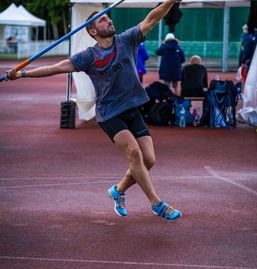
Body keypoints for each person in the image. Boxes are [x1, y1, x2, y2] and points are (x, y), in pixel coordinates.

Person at [6, 0, 182, 221]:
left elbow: (152, 18)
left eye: (108, 18)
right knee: (134, 153)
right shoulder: (88, 57)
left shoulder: (126, 40)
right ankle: (157, 204)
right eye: (103, 20)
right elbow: (54, 68)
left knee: (148, 160)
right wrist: (21, 74)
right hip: (109, 114)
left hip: (131, 109)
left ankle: (117, 191)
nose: (109, 20)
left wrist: (170, 1)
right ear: (92, 31)